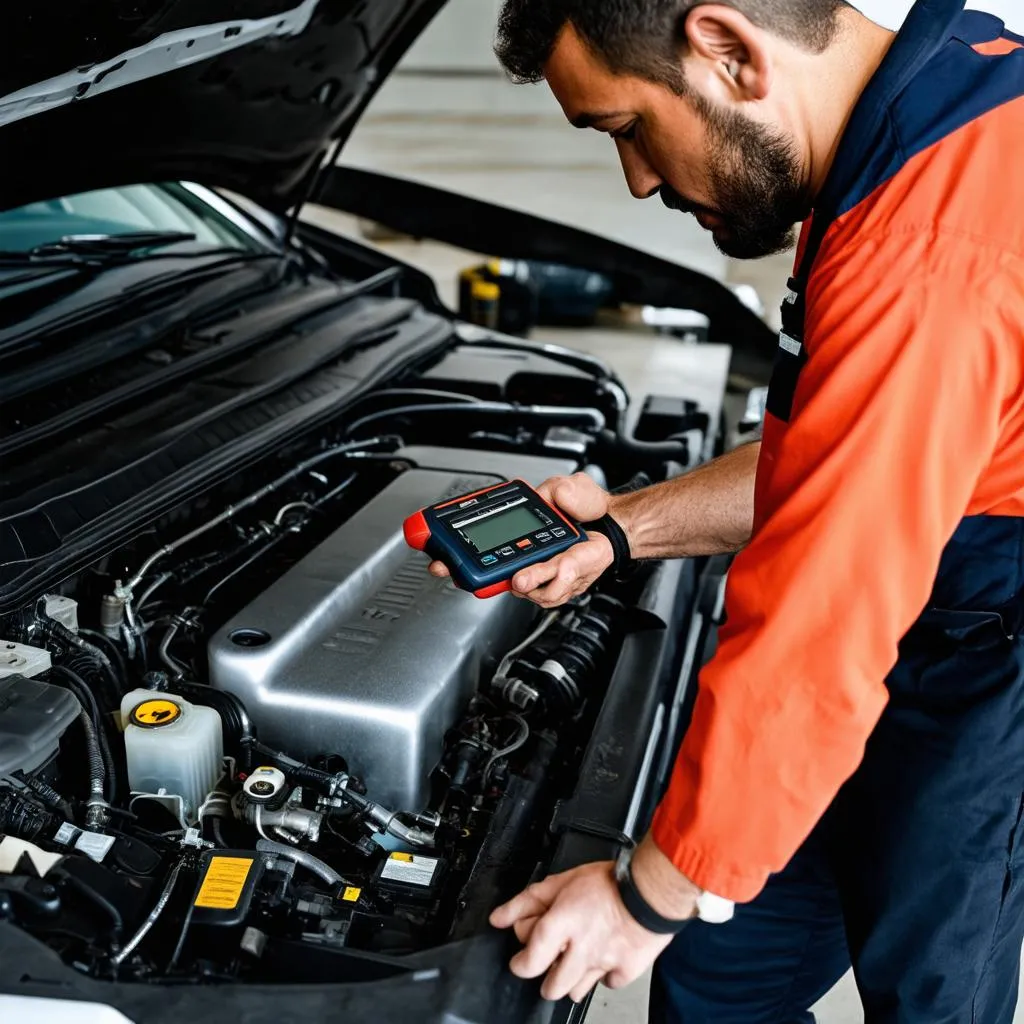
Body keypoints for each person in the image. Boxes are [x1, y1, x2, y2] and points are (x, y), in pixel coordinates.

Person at [427, 1, 1024, 1020]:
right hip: (918, 597)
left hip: (986, 647)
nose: (639, 180)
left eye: (627, 128)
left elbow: (822, 620)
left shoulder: (923, 256)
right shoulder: (917, 113)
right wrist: (616, 529)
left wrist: (638, 899)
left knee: (929, 990)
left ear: (728, 52)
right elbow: (827, 459)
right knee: (721, 976)